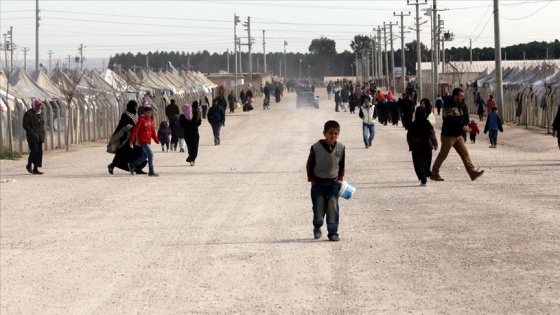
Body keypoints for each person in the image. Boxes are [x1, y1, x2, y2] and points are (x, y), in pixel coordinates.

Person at [430, 88, 484, 182]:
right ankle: (434, 173)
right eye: (460, 96)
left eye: (462, 96)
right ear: (455, 96)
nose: (462, 98)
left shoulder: (459, 105)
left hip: (458, 135)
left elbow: (461, 117)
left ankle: (472, 172)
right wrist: (463, 127)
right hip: (448, 135)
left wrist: (466, 125)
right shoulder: (448, 106)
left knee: (465, 153)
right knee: (443, 155)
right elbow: (452, 120)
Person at [306, 120, 346, 242]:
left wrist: (340, 179)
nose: (333, 136)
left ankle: (333, 232)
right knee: (319, 207)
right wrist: (312, 180)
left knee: (333, 206)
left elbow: (342, 164)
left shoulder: (341, 147)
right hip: (318, 183)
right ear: (324, 133)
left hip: (333, 183)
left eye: (336, 133)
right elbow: (310, 164)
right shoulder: (316, 147)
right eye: (330, 133)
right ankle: (317, 225)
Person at [107, 100, 147, 175]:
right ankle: (112, 165)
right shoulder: (125, 115)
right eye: (133, 107)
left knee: (139, 153)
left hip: (135, 138)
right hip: (126, 139)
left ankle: (138, 168)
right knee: (122, 155)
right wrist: (132, 127)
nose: (135, 109)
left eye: (136, 107)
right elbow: (122, 127)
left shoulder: (135, 115)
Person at [407, 107, 438, 186]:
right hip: (427, 146)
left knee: (418, 163)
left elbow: (409, 136)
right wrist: (435, 143)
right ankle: (426, 173)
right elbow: (432, 134)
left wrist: (410, 145)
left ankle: (422, 177)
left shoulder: (413, 124)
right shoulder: (427, 123)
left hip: (416, 147)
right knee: (426, 162)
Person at [128, 107, 160, 177]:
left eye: (151, 113)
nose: (150, 114)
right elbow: (135, 130)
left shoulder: (150, 120)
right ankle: (151, 171)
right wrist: (131, 140)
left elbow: (153, 131)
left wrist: (156, 140)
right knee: (151, 154)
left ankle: (132, 165)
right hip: (143, 140)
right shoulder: (141, 120)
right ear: (144, 112)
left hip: (148, 140)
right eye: (148, 112)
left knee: (145, 155)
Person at [22, 98, 46, 175]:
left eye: (40, 105)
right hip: (32, 136)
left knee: (39, 152)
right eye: (37, 105)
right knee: (34, 150)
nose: (39, 107)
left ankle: (36, 169)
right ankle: (29, 165)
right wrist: (32, 133)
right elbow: (25, 125)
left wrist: (43, 133)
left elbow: (42, 124)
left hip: (39, 136)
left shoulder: (40, 113)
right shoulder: (28, 114)